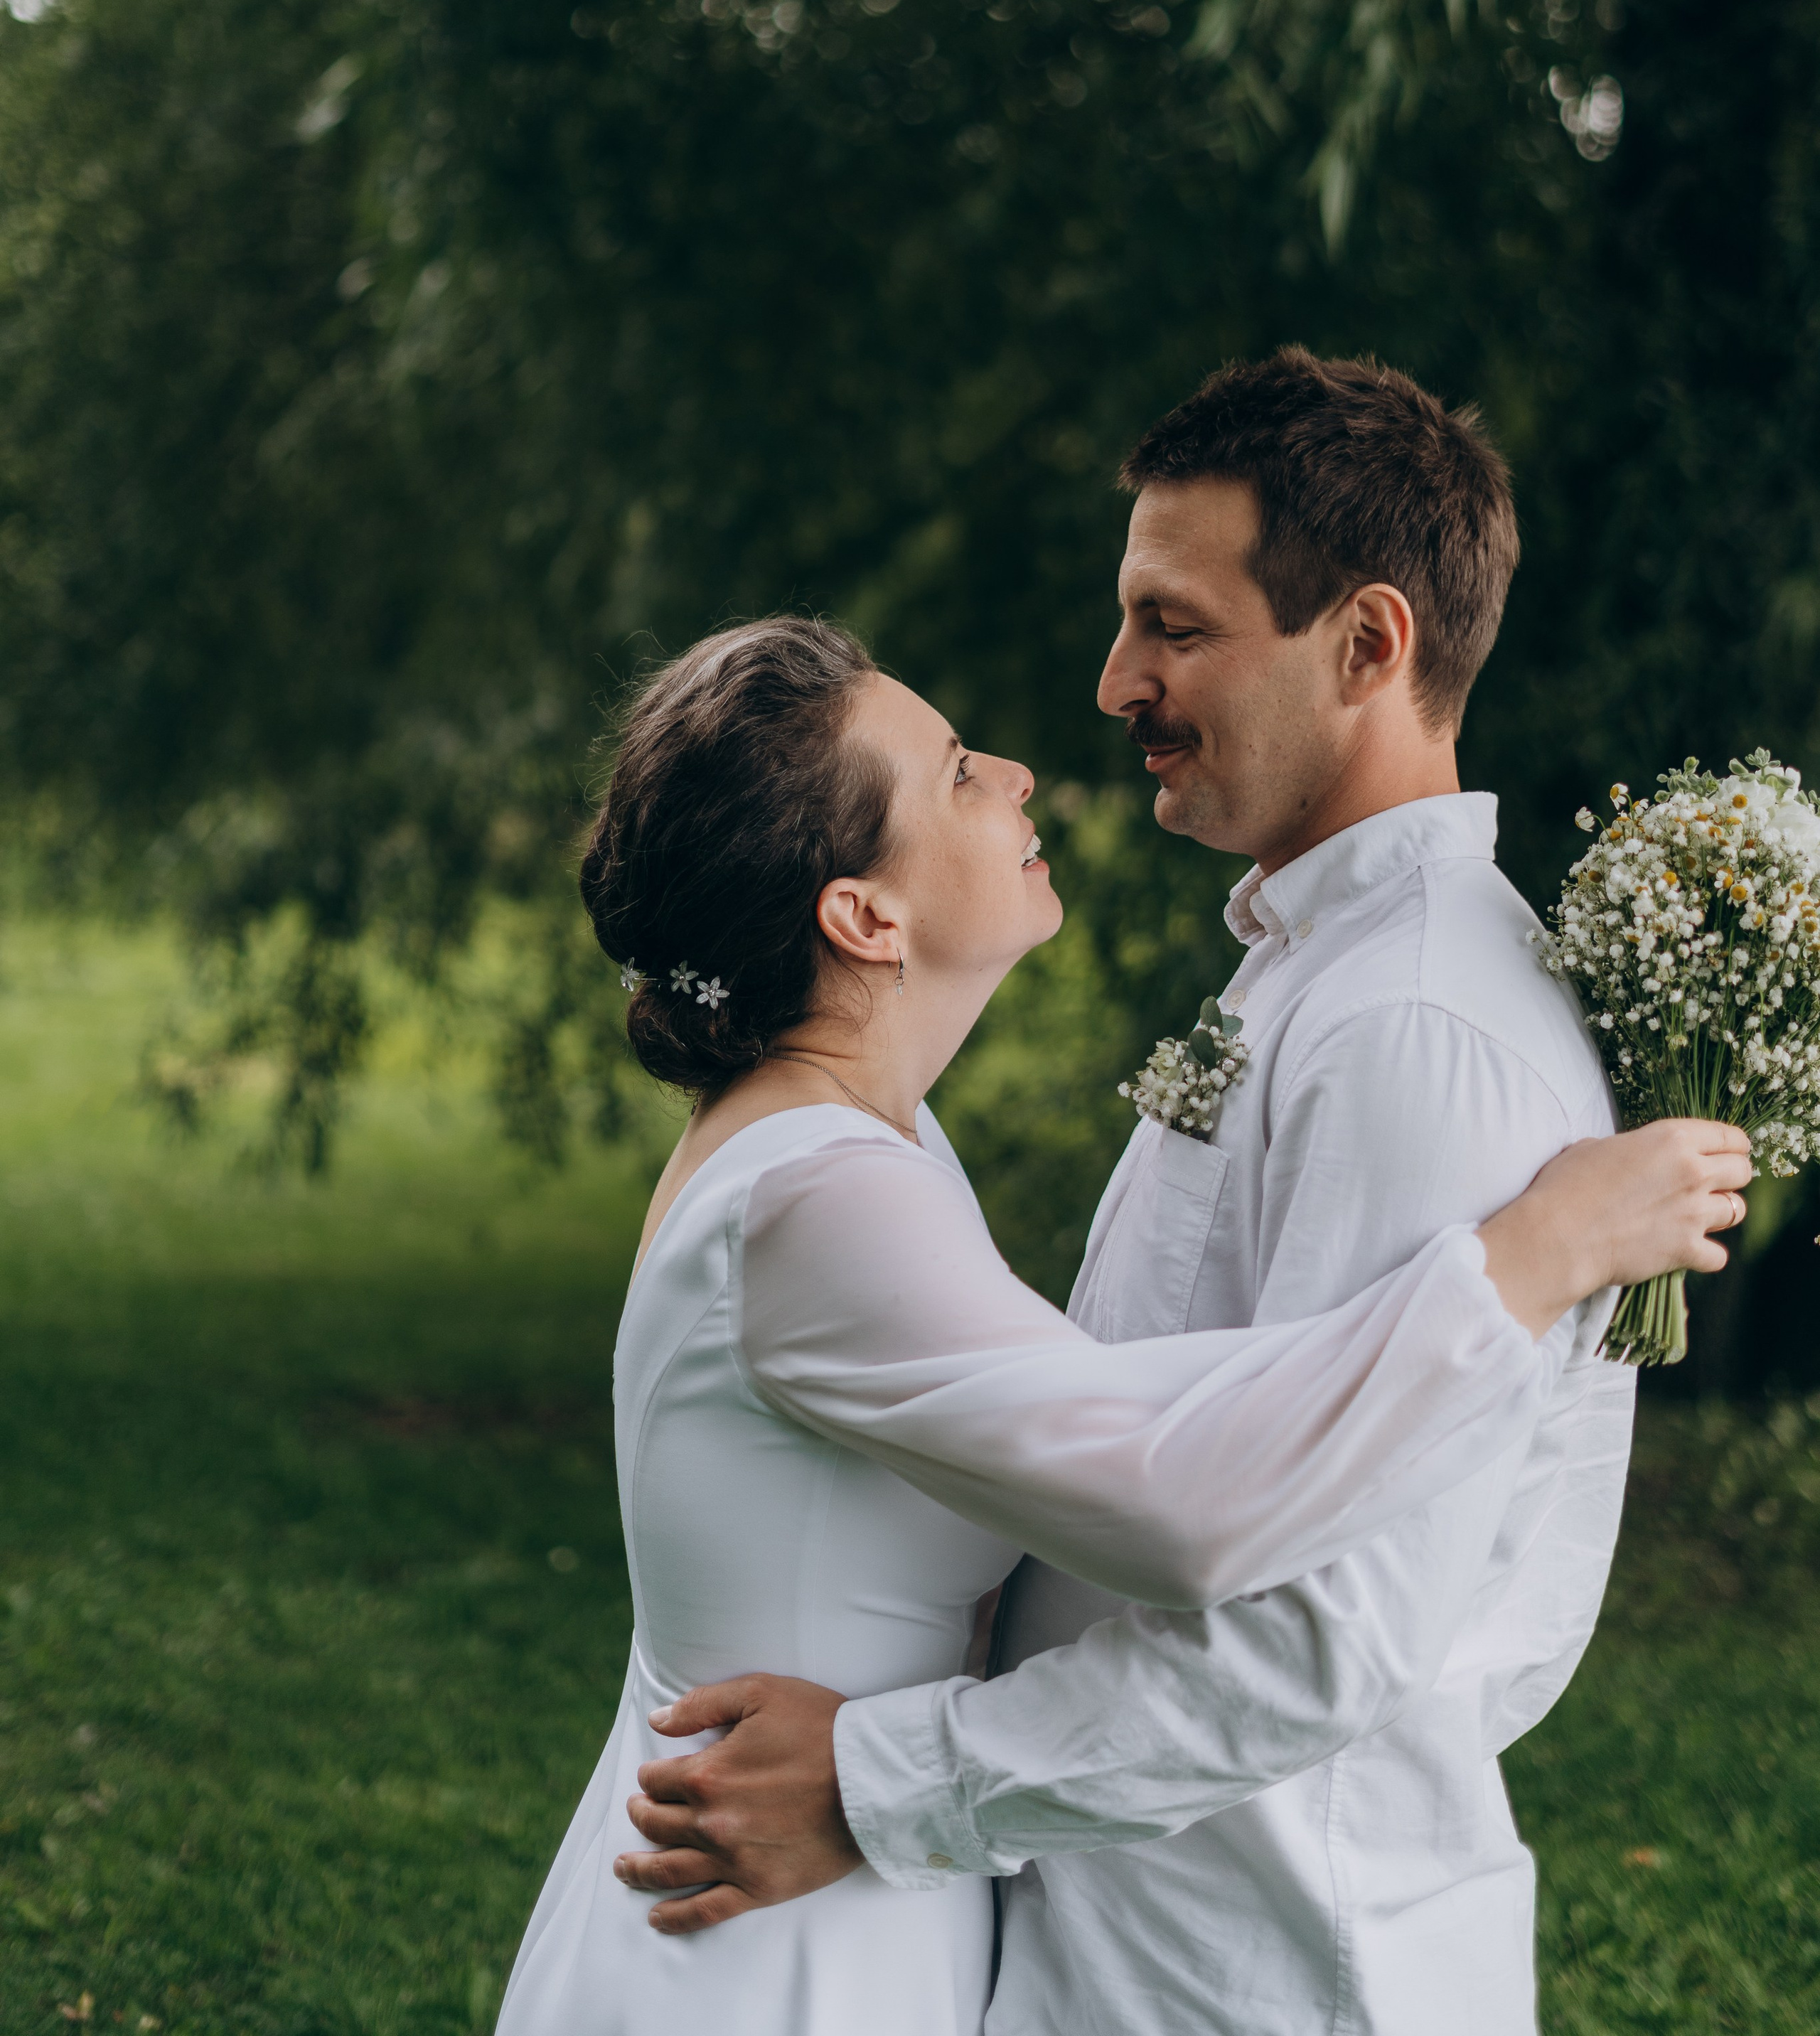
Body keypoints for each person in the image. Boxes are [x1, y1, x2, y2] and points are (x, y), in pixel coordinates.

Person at [498, 595, 1747, 2036]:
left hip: (829, 1883)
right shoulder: (821, 1201)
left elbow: (1159, 1433)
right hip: (770, 1931)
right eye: (959, 768)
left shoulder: (865, 1140)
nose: (1019, 773)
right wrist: (1523, 1261)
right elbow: (1175, 1492)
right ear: (862, 914)